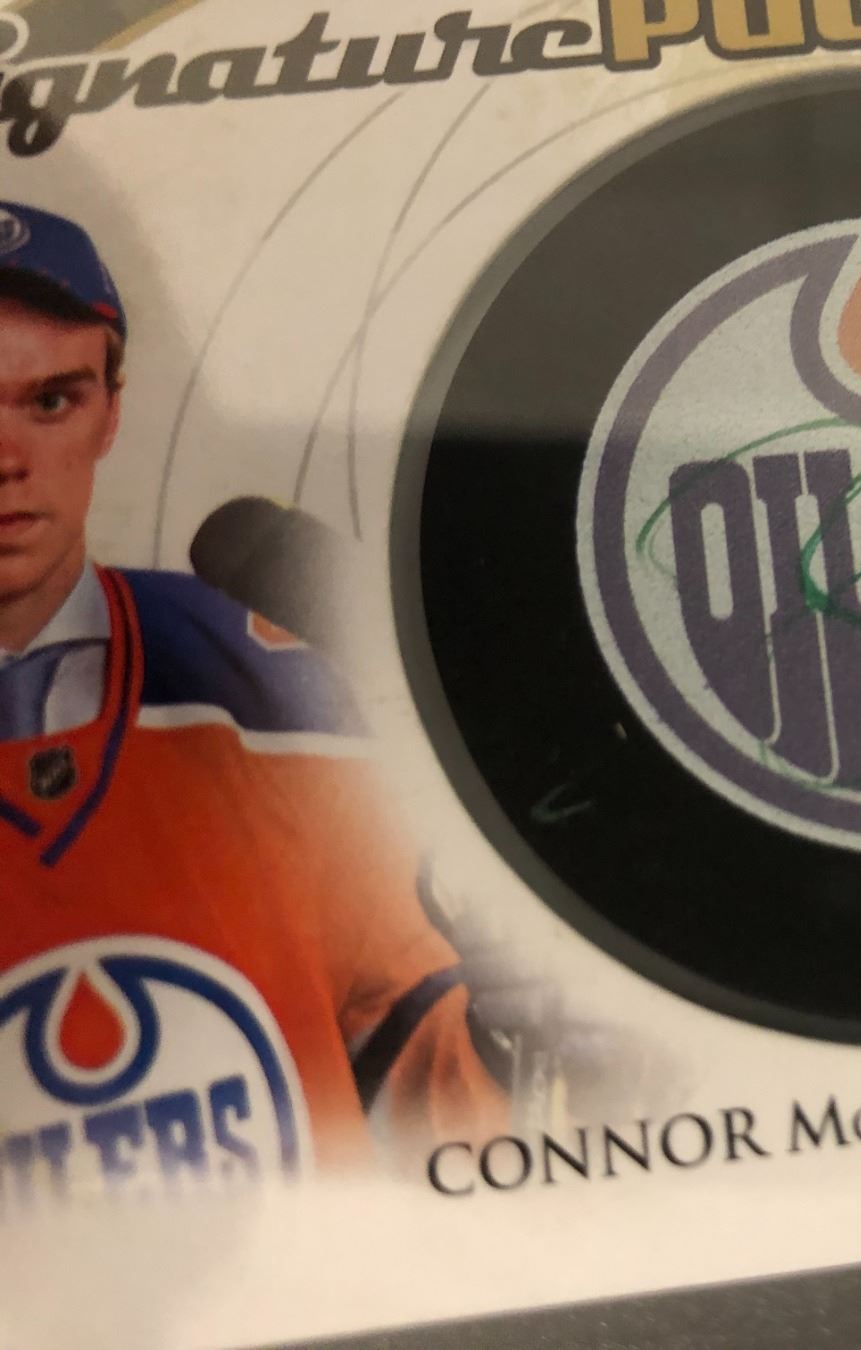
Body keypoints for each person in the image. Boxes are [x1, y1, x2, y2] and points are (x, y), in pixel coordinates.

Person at [0, 200, 506, 1206]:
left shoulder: (262, 675)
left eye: (51, 401)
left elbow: (421, 1064)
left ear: (111, 412)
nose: (6, 458)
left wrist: (527, 1067)